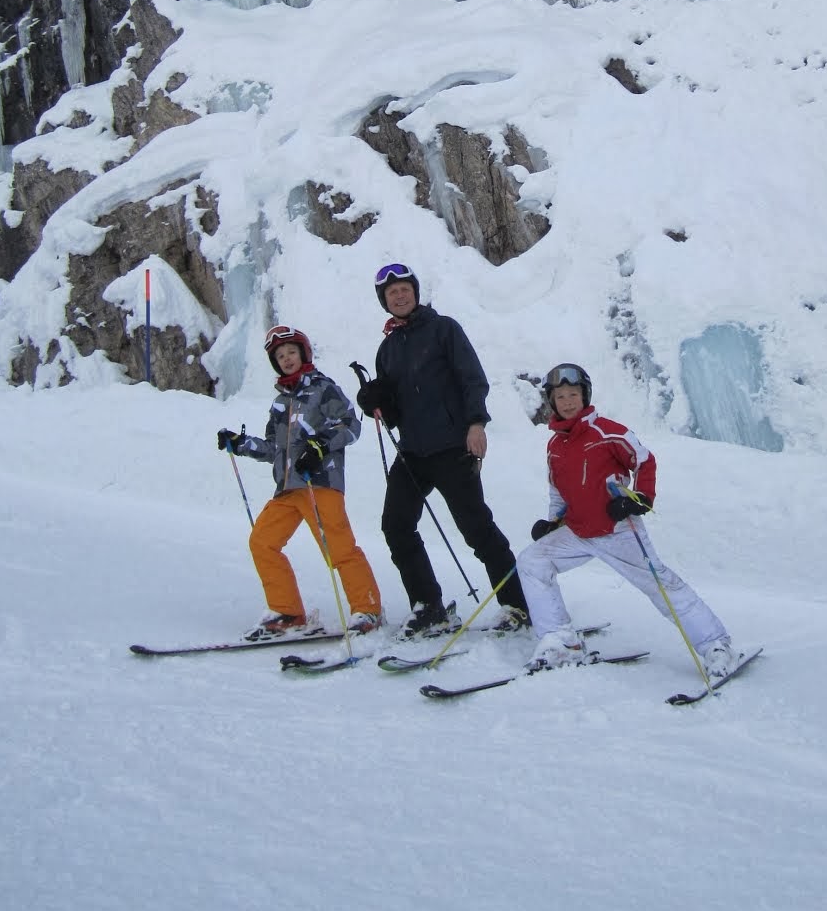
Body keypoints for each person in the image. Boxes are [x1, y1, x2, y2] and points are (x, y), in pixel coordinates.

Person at [516, 362, 737, 678]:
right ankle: (560, 641)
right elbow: (559, 491)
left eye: (573, 394)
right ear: (552, 401)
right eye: (560, 396)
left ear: (585, 396)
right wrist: (553, 523)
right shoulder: (555, 446)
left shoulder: (607, 431)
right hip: (578, 531)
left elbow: (645, 461)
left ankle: (717, 647)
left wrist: (641, 498)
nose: (567, 402)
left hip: (617, 529)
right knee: (532, 562)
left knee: (661, 587)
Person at [355, 262, 529, 638]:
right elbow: (395, 411)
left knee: (476, 529)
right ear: (384, 301)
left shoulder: (444, 329)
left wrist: (476, 423)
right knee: (396, 526)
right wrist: (375, 401)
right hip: (413, 453)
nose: (399, 296)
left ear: (415, 293)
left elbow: (472, 377)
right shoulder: (386, 350)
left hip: (453, 446)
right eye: (391, 293)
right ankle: (428, 605)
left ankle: (516, 603)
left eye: (404, 289)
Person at [217, 324, 383, 641]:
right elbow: (272, 448)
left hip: (320, 482)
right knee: (263, 542)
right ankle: (287, 612)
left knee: (339, 548)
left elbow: (350, 425)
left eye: (292, 352)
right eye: (280, 355)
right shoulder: (281, 403)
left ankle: (368, 609)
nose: (287, 359)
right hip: (288, 488)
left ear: (304, 353)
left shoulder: (323, 388)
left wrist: (319, 446)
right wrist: (240, 443)